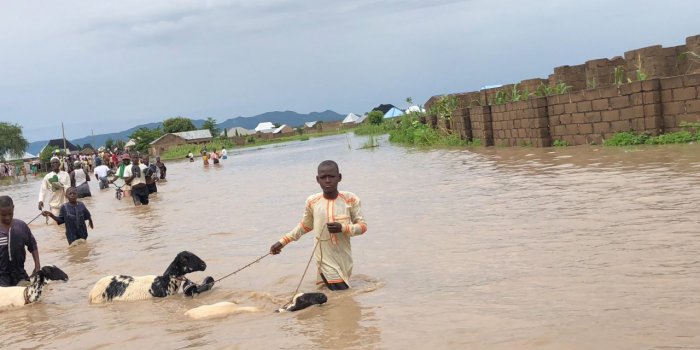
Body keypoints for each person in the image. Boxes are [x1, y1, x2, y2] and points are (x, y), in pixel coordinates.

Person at [269, 160, 367, 291]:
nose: (327, 180)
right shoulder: (312, 202)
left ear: (339, 177)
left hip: (344, 257)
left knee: (333, 297)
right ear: (317, 179)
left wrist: (343, 228)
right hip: (324, 258)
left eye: (331, 176)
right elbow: (305, 226)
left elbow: (362, 226)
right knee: (341, 292)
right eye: (323, 177)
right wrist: (282, 242)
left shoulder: (351, 199)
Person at [0, 195, 41, 286]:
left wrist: (37, 266)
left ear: (13, 208)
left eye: (10, 214)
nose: (7, 217)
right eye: (3, 215)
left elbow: (33, 245)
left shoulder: (21, 226)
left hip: (20, 275)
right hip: (2, 277)